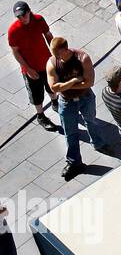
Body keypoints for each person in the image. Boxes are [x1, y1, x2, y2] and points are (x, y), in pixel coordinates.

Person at [46, 36, 111, 179]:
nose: (54, 57)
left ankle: (98, 143)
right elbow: (54, 88)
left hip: (85, 97)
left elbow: (89, 83)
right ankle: (74, 162)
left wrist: (64, 85)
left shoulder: (82, 58)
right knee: (70, 132)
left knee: (91, 120)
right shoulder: (52, 63)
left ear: (65, 50)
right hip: (66, 101)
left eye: (56, 54)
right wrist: (74, 80)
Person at [8, 1, 59, 132]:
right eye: (19, 17)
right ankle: (40, 115)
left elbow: (48, 35)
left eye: (24, 15)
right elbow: (15, 51)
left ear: (29, 11)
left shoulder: (38, 19)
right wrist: (28, 69)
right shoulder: (13, 31)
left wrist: (56, 54)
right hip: (30, 69)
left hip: (47, 62)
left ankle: (55, 103)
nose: (22, 18)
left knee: (51, 86)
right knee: (36, 94)